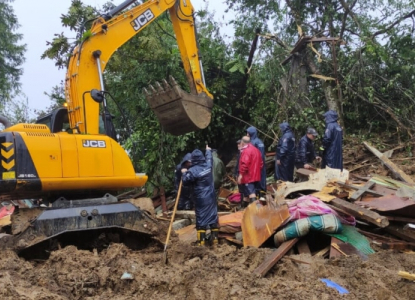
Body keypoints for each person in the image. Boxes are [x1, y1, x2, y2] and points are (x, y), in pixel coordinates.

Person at [181, 146, 218, 246]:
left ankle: (201, 243)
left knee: (201, 219)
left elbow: (185, 181)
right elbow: (210, 158)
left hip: (201, 199)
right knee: (213, 217)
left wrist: (184, 173)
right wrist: (208, 150)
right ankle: (215, 240)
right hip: (211, 197)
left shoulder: (193, 171)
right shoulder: (208, 165)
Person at [238, 136, 263, 207]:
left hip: (248, 177)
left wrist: (241, 175)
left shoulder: (246, 151)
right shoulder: (256, 150)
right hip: (256, 176)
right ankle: (243, 209)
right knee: (246, 195)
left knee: (252, 194)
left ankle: (258, 210)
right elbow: (261, 163)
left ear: (242, 142)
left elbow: (244, 164)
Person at [246, 126, 266, 193]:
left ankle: (260, 192)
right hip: (255, 164)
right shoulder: (255, 141)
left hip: (257, 164)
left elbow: (260, 154)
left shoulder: (256, 142)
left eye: (248, 133)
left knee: (259, 178)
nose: (247, 134)